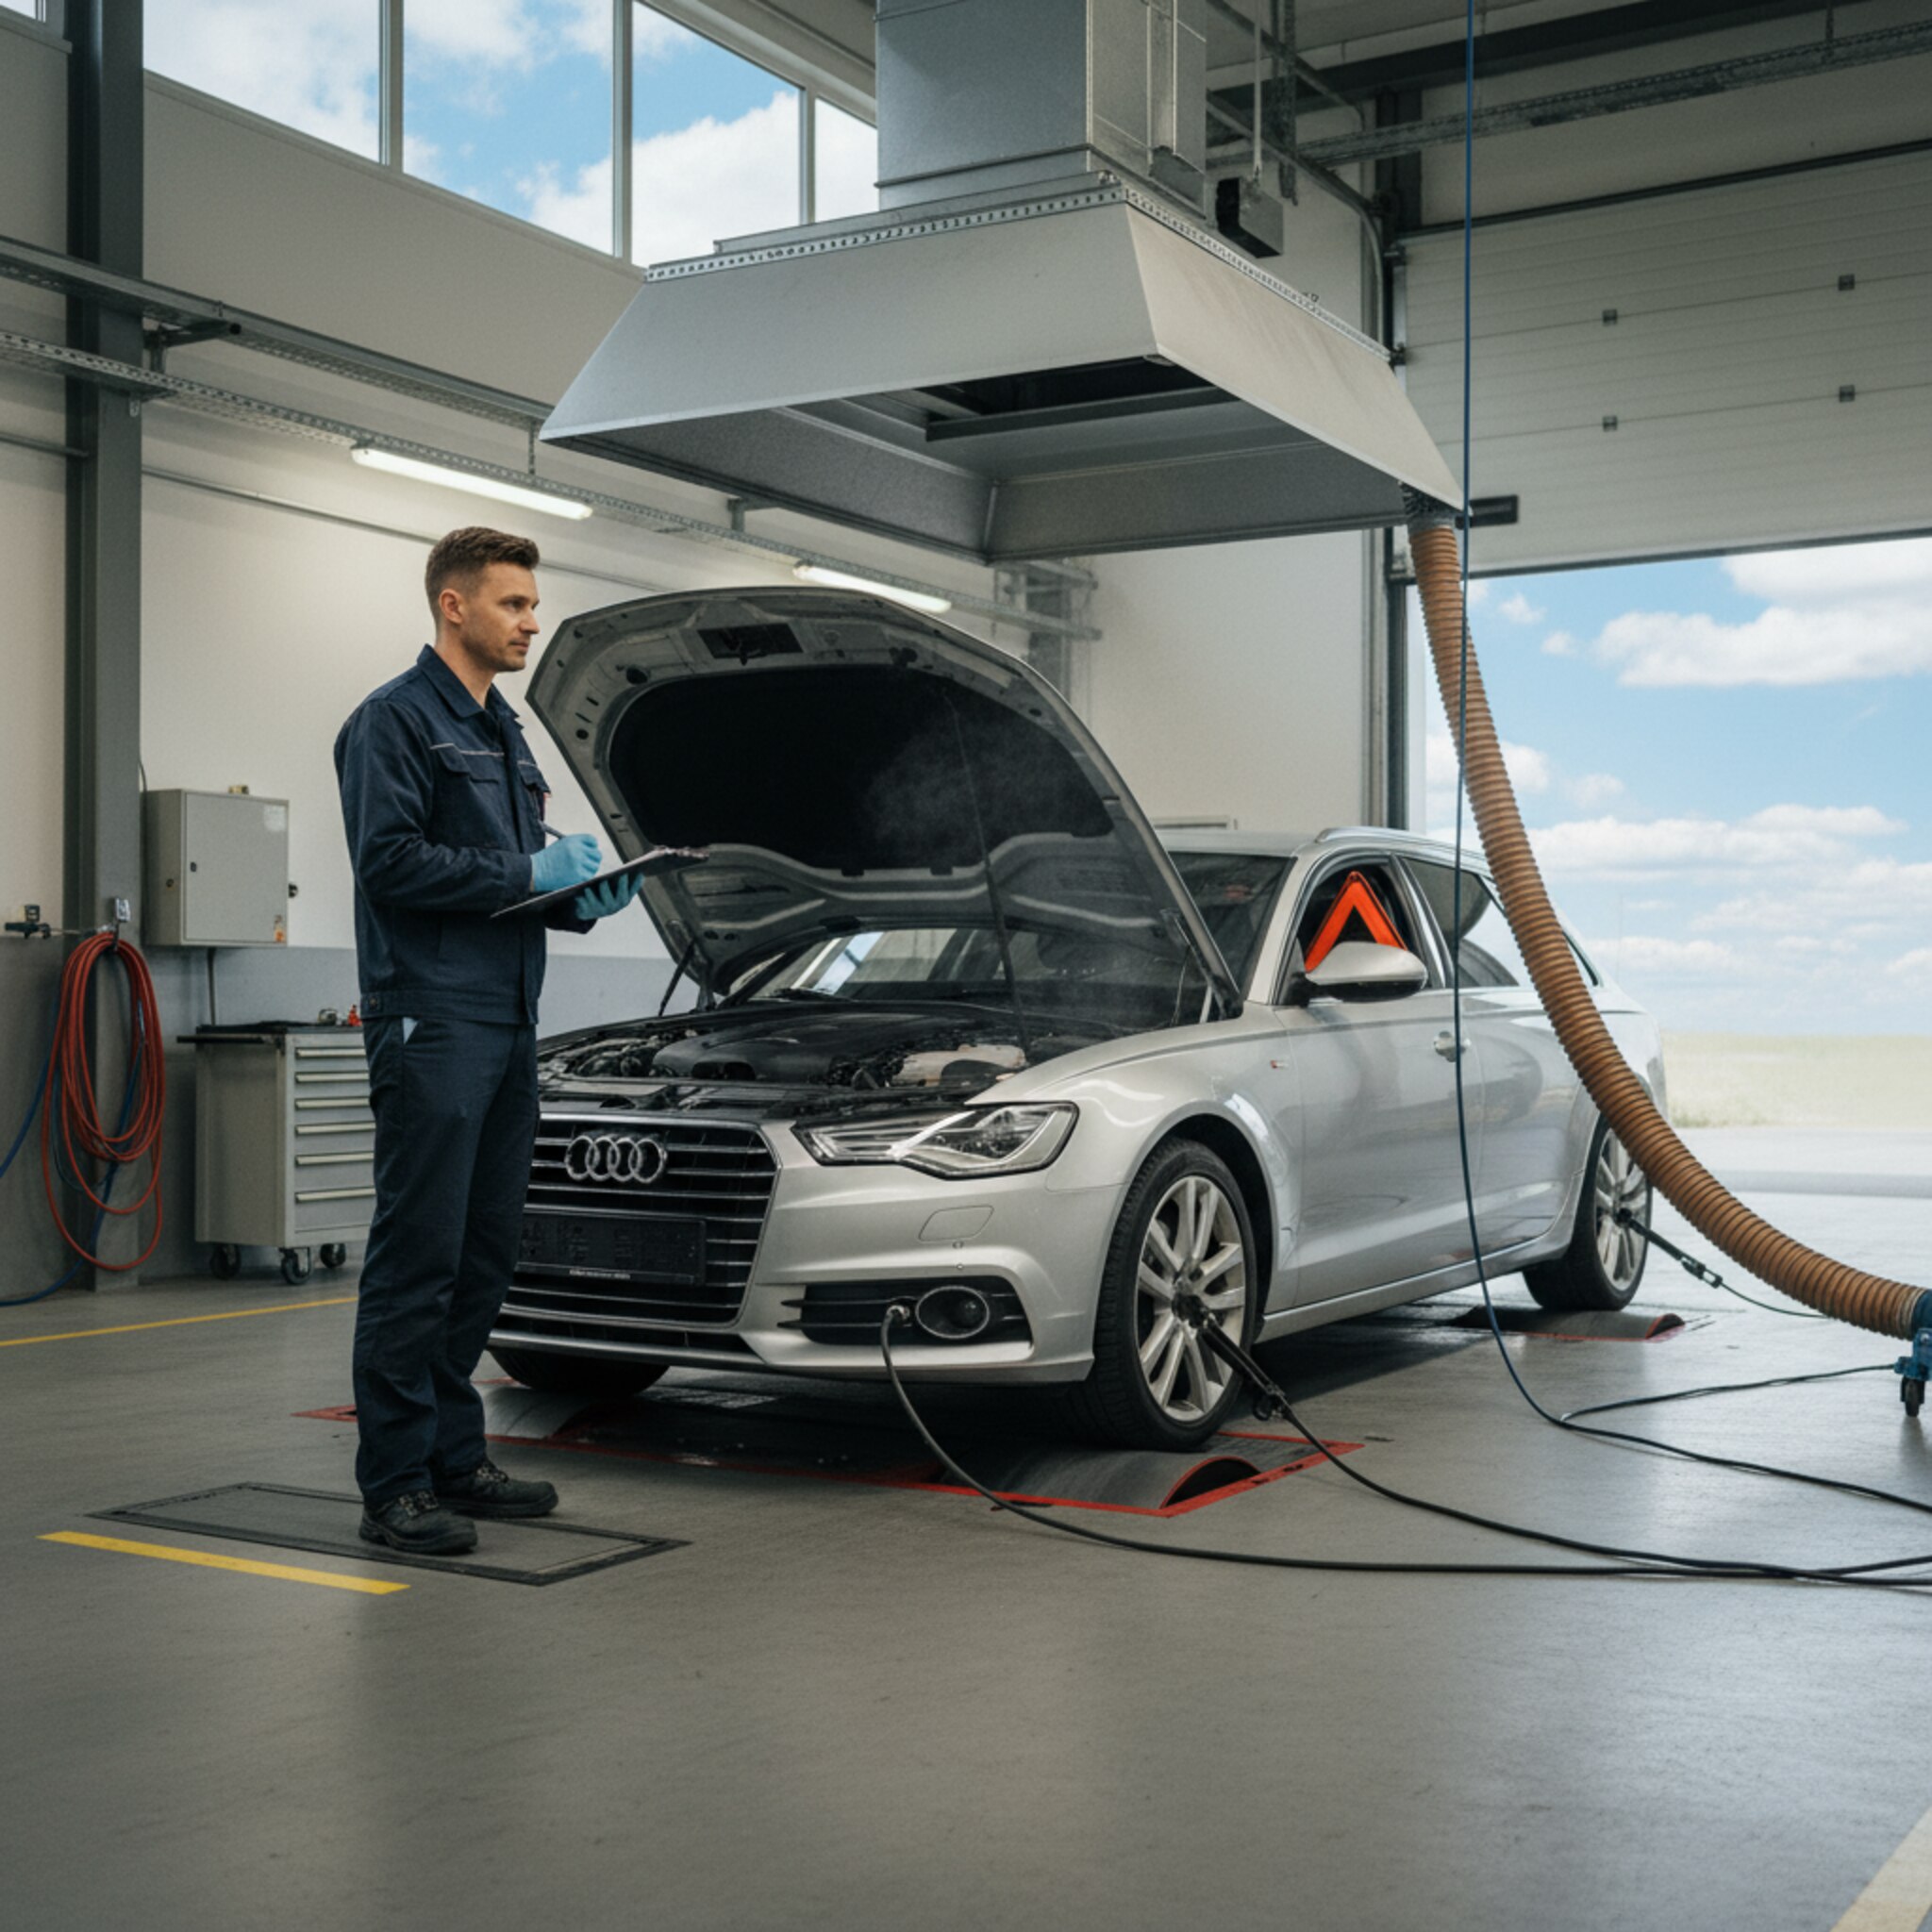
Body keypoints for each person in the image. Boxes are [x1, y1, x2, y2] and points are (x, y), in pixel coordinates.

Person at [334, 526, 639, 1555]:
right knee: (418, 1254)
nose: (531, 622)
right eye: (513, 603)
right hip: (431, 1016)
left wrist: (575, 898)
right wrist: (528, 874)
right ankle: (393, 1485)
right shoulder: (392, 722)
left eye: (533, 604)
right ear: (453, 605)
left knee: (483, 1252)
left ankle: (453, 1458)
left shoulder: (504, 731)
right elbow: (390, 864)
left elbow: (504, 879)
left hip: (509, 1018)